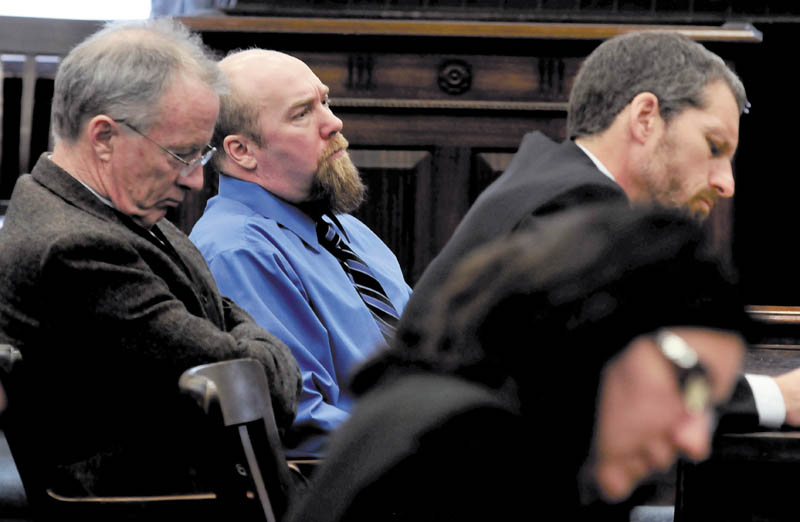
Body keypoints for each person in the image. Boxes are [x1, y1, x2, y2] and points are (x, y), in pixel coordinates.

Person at [396, 30, 794, 433]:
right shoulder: (575, 205)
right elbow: (612, 387)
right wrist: (779, 397)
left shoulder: (557, 183)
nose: (726, 183)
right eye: (713, 146)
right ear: (645, 118)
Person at [286, 204, 750, 522]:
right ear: (603, 326)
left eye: (711, 407)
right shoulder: (475, 450)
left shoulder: (474, 411)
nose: (696, 441)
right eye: (691, 382)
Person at [0, 20, 301, 497]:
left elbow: (220, 315)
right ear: (104, 137)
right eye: (181, 155)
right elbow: (255, 390)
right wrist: (258, 348)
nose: (196, 181)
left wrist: (241, 344)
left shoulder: (112, 211)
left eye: (200, 155)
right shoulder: (75, 250)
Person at [189, 49, 412, 458]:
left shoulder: (347, 231)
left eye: (324, 101)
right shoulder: (238, 251)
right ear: (242, 151)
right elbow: (300, 419)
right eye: (302, 113)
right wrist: (431, 443)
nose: (334, 123)